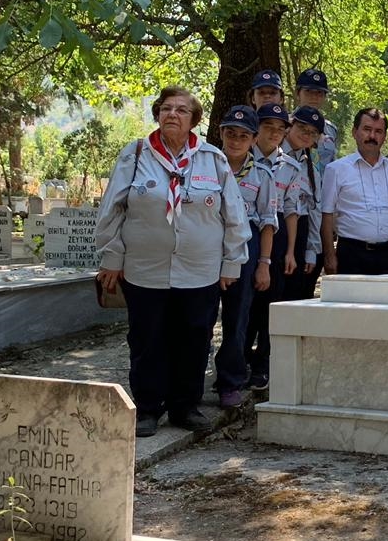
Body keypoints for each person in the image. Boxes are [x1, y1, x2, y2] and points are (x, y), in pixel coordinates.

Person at [95, 86, 249, 438]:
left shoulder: (212, 159)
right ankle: (148, 407)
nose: (172, 115)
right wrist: (112, 256)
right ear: (157, 114)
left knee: (194, 338)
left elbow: (234, 215)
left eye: (181, 110)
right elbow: (112, 208)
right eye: (166, 108)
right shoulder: (136, 154)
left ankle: (185, 406)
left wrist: (232, 263)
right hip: (144, 269)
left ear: (194, 120)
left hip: (200, 270)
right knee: (147, 339)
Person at [211, 106, 277, 408]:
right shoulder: (207, 168)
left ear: (253, 139)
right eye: (230, 133)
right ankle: (189, 382)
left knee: (237, 318)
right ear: (221, 134)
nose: (236, 140)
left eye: (243, 135)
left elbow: (268, 223)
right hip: (207, 247)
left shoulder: (262, 175)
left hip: (246, 251)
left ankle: (230, 381)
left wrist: (264, 264)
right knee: (200, 315)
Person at [244, 102, 301, 390]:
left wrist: (290, 250)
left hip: (276, 235)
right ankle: (238, 359)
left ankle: (262, 364)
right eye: (268, 126)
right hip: (244, 231)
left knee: (271, 302)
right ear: (257, 128)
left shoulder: (290, 167)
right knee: (242, 302)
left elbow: (291, 210)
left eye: (280, 129)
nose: (274, 133)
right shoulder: (241, 158)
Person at [321, 108, 388, 275]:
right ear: (354, 132)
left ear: (385, 137)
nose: (372, 136)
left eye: (378, 131)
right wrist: (329, 255)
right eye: (367, 129)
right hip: (351, 254)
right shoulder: (336, 169)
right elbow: (326, 215)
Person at [280, 105, 324, 302]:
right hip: (272, 227)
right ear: (290, 125)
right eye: (303, 128)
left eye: (313, 133)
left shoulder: (311, 169)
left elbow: (315, 210)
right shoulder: (273, 153)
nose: (307, 135)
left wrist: (312, 250)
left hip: (300, 231)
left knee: (292, 296)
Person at [295, 68, 339, 166]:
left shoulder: (331, 130)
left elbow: (333, 164)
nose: (314, 97)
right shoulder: (285, 124)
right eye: (308, 91)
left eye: (319, 92)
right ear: (298, 94)